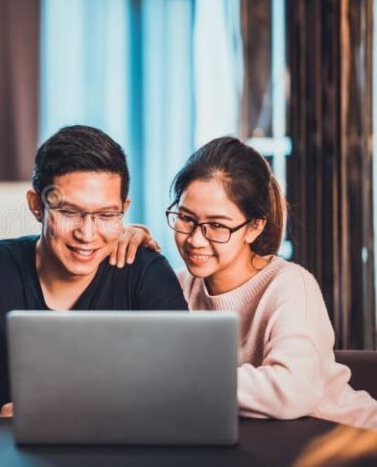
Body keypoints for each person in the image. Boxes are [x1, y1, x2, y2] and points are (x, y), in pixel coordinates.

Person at [0, 125, 187, 434]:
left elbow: (184, 381)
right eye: (69, 212)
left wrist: (68, 415)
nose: (87, 234)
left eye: (105, 215)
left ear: (123, 210)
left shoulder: (144, 271)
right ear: (36, 205)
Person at [126, 136, 377, 429]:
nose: (195, 239)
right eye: (185, 218)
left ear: (254, 227)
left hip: (344, 439)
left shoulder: (290, 285)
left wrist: (177, 380)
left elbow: (291, 389)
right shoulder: (176, 286)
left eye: (217, 226)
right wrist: (121, 254)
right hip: (261, 446)